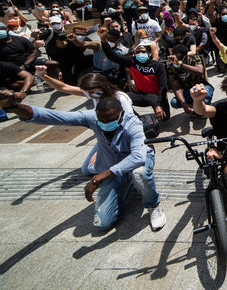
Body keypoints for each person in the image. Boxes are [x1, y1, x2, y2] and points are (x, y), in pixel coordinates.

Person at [0, 91, 166, 231]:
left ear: (121, 112)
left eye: (111, 120)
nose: (105, 123)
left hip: (134, 162)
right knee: (102, 224)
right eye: (102, 120)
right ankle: (126, 183)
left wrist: (100, 176)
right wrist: (14, 107)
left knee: (139, 173)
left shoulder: (133, 123)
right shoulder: (93, 117)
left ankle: (153, 205)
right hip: (112, 167)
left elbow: (138, 156)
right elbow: (53, 116)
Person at [100, 33, 170, 121]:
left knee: (165, 118)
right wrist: (103, 41)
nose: (140, 54)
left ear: (149, 53)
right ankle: (136, 118)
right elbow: (113, 56)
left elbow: (163, 86)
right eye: (138, 52)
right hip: (140, 94)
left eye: (143, 52)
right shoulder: (132, 62)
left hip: (155, 96)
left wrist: (159, 105)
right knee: (120, 99)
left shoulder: (158, 66)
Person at [167, 44, 213, 116]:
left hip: (201, 87)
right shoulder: (171, 67)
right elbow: (176, 87)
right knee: (174, 102)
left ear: (185, 57)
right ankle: (193, 109)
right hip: (188, 91)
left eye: (178, 58)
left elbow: (199, 71)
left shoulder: (194, 59)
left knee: (206, 96)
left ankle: (203, 109)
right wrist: (183, 103)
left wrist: (181, 64)